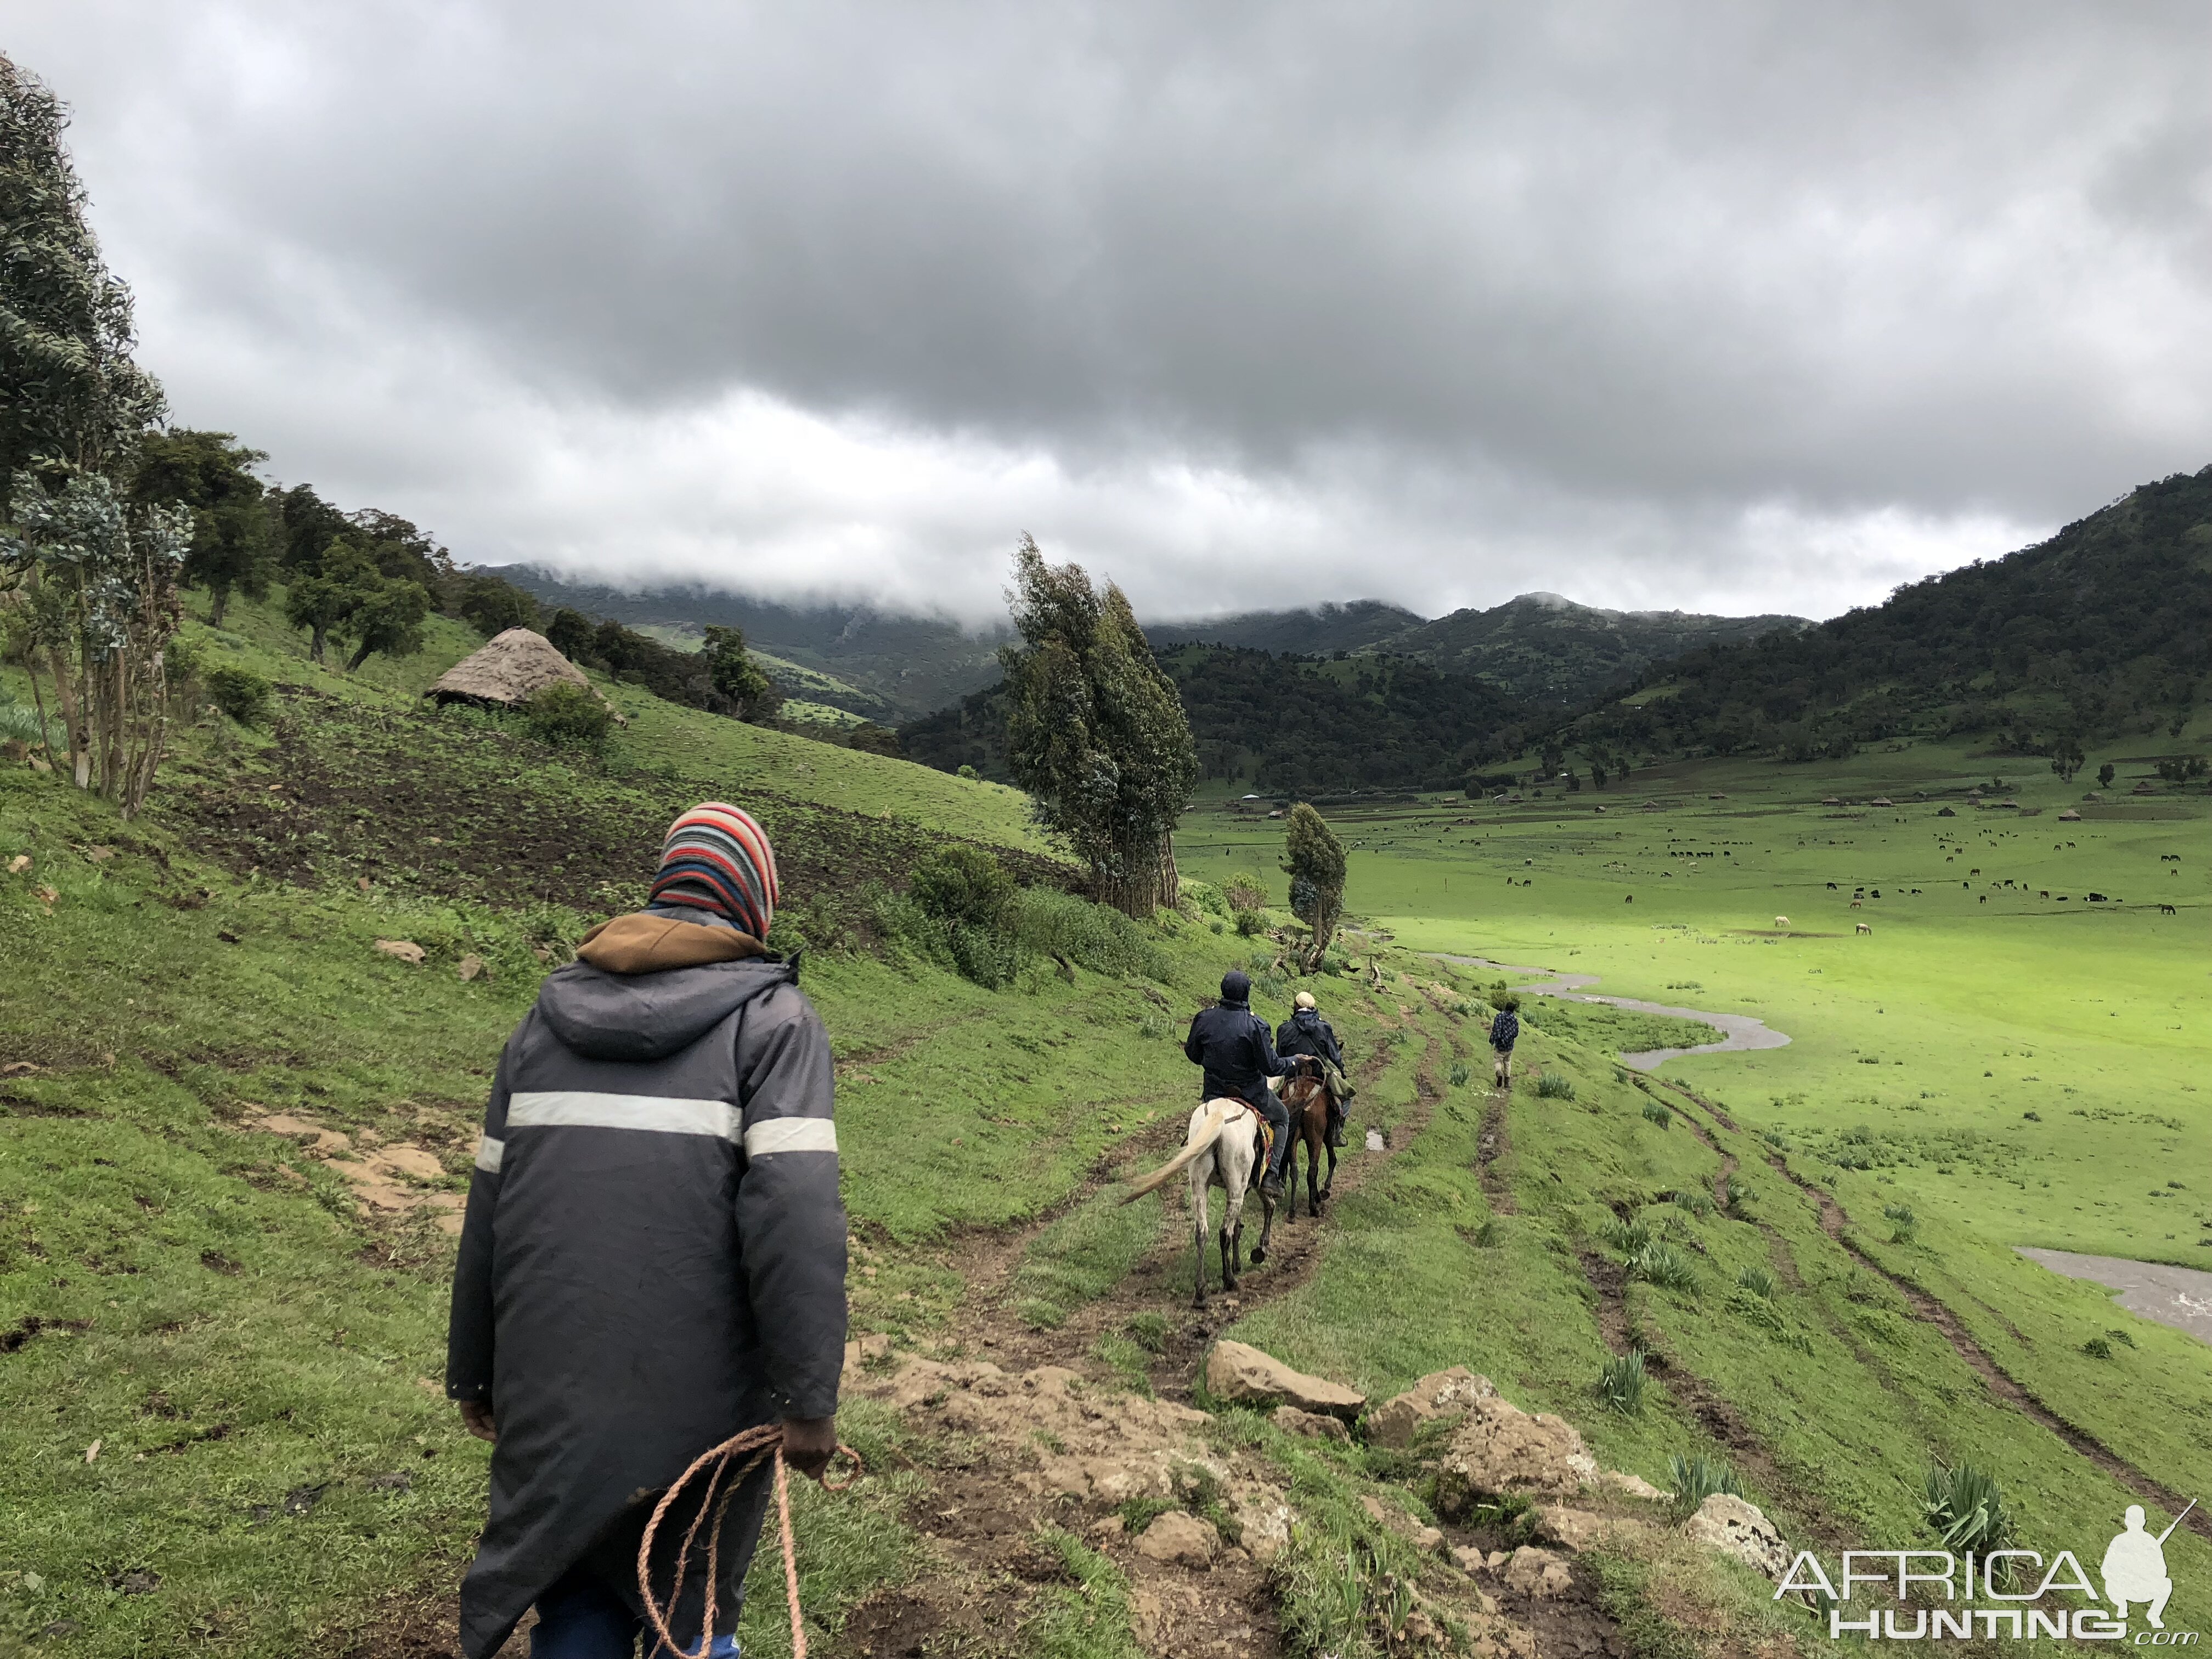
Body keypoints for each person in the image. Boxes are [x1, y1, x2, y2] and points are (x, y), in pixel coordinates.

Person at [445, 803, 847, 1659]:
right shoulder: (774, 1025)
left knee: (579, 1595)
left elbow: (489, 1204)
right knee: (693, 1612)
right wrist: (809, 1400)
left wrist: (474, 1368)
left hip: (548, 1390)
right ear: (755, 904)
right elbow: (796, 1215)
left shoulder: (541, 1026)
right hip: (698, 1405)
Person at [1184, 969, 1294, 1200]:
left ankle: (1192, 1144)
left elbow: (1193, 1054)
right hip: (1251, 1094)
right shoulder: (1256, 1025)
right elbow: (1271, 1068)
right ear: (1246, 994)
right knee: (1282, 1117)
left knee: (1204, 1115)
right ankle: (1271, 1175)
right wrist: (1294, 1061)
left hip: (1214, 1093)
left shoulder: (1204, 1018)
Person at [1276, 990, 1354, 1148]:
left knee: (1274, 1102)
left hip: (1293, 1076)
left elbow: (1279, 1056)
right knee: (1346, 1100)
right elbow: (1335, 1055)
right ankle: (1336, 1134)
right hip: (1318, 1075)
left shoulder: (1284, 1029)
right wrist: (1342, 1072)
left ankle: (1273, 1136)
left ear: (1296, 1006)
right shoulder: (1323, 1027)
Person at [2102, 1505, 2174, 1629]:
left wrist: (2145, 1570)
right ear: (2144, 1522)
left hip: (2141, 1590)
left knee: (2166, 1583)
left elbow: (2162, 1571)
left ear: (2126, 1522)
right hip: (2124, 1588)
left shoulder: (2150, 1543)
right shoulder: (2120, 1541)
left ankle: (2153, 1615)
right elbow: (2106, 1570)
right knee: (2166, 1584)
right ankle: (2122, 1606)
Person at [1487, 992, 1521, 1088]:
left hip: (1500, 1045)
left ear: (1506, 1007)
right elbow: (1516, 1033)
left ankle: (1499, 1074)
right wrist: (1510, 1038)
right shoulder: (1515, 1019)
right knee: (1508, 1062)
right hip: (1510, 1046)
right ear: (1513, 1010)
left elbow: (1496, 1029)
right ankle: (1507, 1082)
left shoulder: (1500, 1016)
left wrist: (1492, 1040)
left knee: (1497, 1061)